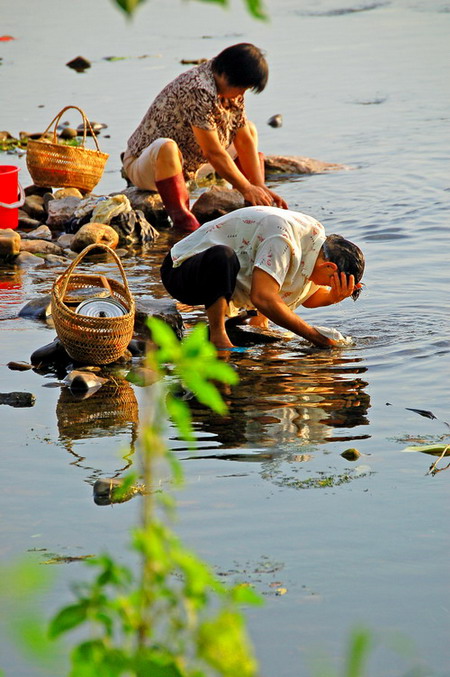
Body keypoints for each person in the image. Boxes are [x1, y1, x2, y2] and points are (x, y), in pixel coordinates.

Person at [122, 43, 287, 233]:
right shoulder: (198, 88)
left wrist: (258, 187)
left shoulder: (227, 86)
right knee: (166, 147)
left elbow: (242, 137)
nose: (242, 94)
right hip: (148, 167)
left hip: (190, 166)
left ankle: (248, 208)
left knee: (249, 129)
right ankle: (183, 221)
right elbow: (213, 153)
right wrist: (246, 187)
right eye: (243, 88)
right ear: (227, 75)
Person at [160, 205, 365, 350]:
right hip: (182, 270)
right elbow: (263, 297)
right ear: (329, 266)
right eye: (329, 282)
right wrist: (315, 336)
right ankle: (218, 335)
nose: (321, 286)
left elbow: (304, 296)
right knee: (223, 257)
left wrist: (332, 297)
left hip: (223, 281)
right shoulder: (284, 239)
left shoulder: (316, 245)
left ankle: (247, 321)